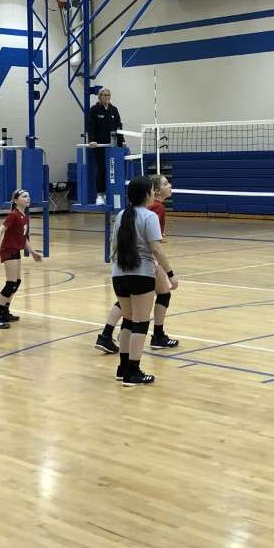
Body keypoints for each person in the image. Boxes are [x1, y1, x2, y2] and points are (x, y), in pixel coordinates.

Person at [95, 173, 180, 353]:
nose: (169, 185)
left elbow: (116, 243)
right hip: (143, 266)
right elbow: (153, 246)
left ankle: (122, 350)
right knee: (138, 314)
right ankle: (139, 347)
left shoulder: (122, 214)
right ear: (152, 192)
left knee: (142, 304)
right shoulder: (153, 212)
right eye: (165, 183)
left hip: (121, 269)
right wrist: (169, 272)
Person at [109, 175, 175, 387]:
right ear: (148, 194)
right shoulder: (149, 217)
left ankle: (122, 368)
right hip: (141, 273)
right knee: (140, 322)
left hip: (119, 274)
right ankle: (133, 371)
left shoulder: (121, 215)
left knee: (128, 321)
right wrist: (171, 274)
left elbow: (113, 247)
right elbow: (156, 248)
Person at [0, 189, 42, 328]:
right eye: (24, 196)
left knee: (16, 282)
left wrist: (33, 252)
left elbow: (23, 238)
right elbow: (0, 230)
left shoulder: (24, 216)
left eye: (29, 196)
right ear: (16, 200)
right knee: (10, 283)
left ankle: (5, 311)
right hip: (8, 250)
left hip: (16, 250)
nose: (28, 198)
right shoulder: (14, 215)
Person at [86, 87, 125, 201]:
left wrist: (122, 141)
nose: (107, 97)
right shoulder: (94, 109)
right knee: (101, 169)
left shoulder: (114, 109)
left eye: (108, 95)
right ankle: (99, 195)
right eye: (105, 95)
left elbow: (119, 127)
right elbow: (90, 127)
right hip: (99, 146)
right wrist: (91, 140)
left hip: (113, 146)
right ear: (100, 97)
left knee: (112, 170)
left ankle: (110, 193)